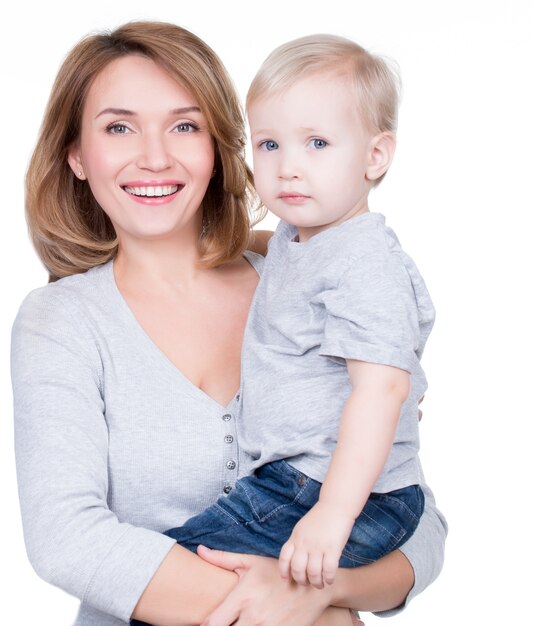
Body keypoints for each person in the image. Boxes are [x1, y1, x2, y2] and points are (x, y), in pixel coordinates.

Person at [11, 21, 447, 626]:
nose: (155, 155)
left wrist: (323, 590)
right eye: (118, 127)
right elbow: (67, 539)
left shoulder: (305, 286)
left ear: (217, 147)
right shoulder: (61, 322)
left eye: (185, 126)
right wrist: (311, 612)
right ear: (77, 156)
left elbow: (418, 526)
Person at [153, 32, 435, 596]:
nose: (288, 168)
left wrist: (332, 513)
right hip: (293, 484)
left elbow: (381, 393)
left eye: (318, 143)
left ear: (375, 156)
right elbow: (268, 249)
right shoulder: (300, 236)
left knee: (166, 579)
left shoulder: (365, 263)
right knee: (172, 579)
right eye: (270, 145)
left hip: (338, 494)